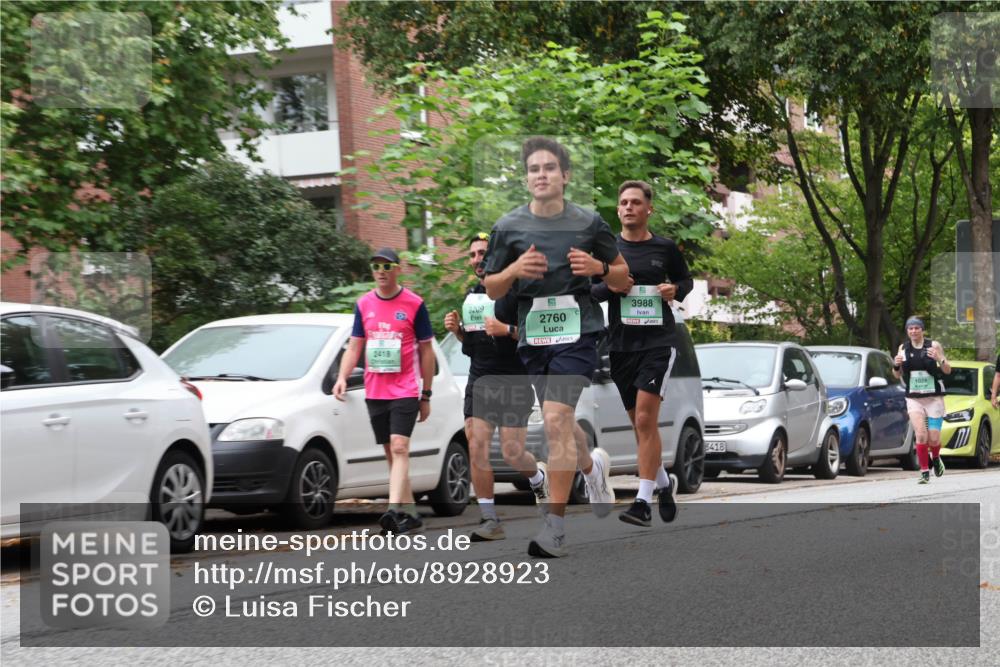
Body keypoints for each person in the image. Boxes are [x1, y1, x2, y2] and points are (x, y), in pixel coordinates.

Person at [483, 136, 632, 558]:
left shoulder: (589, 223)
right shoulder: (508, 227)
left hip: (579, 331)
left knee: (555, 420)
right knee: (561, 425)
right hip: (535, 337)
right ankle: (592, 466)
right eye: (534, 169)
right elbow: (492, 287)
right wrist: (514, 268)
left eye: (549, 168)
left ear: (565, 176)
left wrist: (600, 267)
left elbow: (622, 278)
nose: (541, 175)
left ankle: (555, 527)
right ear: (526, 178)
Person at [592, 180, 692, 527]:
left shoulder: (664, 248)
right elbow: (591, 293)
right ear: (617, 210)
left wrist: (674, 289)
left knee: (647, 420)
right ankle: (664, 485)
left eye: (636, 202)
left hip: (658, 343)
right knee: (639, 425)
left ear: (649, 208)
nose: (629, 207)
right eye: (623, 202)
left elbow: (685, 281)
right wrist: (611, 285)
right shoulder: (608, 252)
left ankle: (641, 501)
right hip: (620, 346)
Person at [444, 232, 549, 541]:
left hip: (513, 377)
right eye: (473, 255)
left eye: (483, 254)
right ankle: (490, 519)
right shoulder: (473, 294)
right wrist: (459, 332)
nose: (477, 259)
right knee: (475, 442)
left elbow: (536, 331)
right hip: (480, 377)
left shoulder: (518, 290)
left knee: (513, 452)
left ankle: (539, 478)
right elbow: (476, 341)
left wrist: (507, 329)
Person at [334, 248, 435, 533]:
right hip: (376, 389)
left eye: (387, 266)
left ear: (397, 269)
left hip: (405, 388)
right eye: (376, 266)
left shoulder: (414, 304)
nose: (381, 271)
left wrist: (426, 394)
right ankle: (412, 514)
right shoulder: (364, 304)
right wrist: (342, 377)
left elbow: (426, 351)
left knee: (401, 447)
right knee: (391, 452)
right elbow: (355, 345)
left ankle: (392, 511)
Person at [892, 316, 952, 484]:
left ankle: (937, 457)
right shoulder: (903, 347)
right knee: (920, 434)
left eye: (917, 328)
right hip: (914, 397)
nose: (913, 331)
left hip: (934, 397)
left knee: (933, 438)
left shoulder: (933, 345)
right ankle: (924, 471)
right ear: (907, 331)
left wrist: (940, 358)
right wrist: (896, 365)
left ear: (922, 330)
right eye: (910, 328)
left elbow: (947, 370)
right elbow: (897, 374)